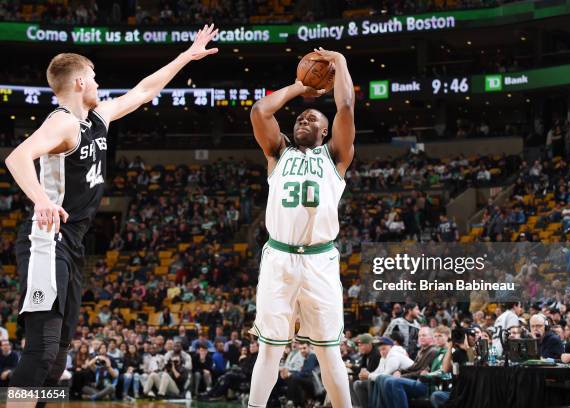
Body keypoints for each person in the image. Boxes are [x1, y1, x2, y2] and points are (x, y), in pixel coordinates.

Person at [6, 24, 219, 408]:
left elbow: (144, 90)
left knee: (57, 360)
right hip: (47, 239)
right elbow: (17, 156)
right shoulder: (63, 123)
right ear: (80, 82)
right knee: (41, 350)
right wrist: (40, 199)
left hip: (71, 244)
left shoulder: (97, 118)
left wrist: (187, 56)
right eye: (95, 78)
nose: (99, 84)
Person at [247, 47, 355, 408]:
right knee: (269, 349)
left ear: (325, 132)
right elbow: (260, 111)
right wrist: (298, 87)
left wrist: (339, 64)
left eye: (311, 119)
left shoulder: (336, 157)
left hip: (319, 260)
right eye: (300, 119)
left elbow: (346, 109)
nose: (302, 121)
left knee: (328, 352)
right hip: (279, 257)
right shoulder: (278, 152)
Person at [353, 334, 413, 408]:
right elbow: (377, 372)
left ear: (391, 347)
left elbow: (385, 375)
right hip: (395, 382)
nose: (382, 352)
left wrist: (368, 376)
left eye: (384, 349)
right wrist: (366, 375)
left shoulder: (394, 355)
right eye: (380, 350)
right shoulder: (383, 358)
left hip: (409, 380)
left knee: (377, 381)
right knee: (363, 382)